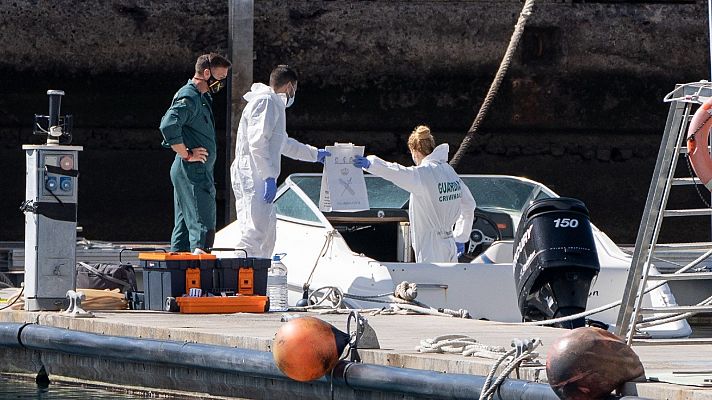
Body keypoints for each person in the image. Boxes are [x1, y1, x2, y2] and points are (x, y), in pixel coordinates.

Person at [230, 65, 330, 259]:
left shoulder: (272, 104)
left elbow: (282, 143)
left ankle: (261, 278)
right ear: (290, 86)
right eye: (295, 89)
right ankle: (242, 280)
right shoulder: (266, 102)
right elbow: (257, 143)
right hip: (255, 175)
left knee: (266, 235)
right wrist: (268, 176)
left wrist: (314, 154)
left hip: (258, 174)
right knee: (254, 233)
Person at [353, 125, 475, 263]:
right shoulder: (449, 172)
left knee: (431, 283)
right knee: (451, 283)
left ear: (414, 151)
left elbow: (396, 172)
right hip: (450, 242)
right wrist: (461, 237)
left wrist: (371, 164)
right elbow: (469, 204)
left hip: (430, 247)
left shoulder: (422, 174)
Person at [159, 53, 232, 252]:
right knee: (203, 225)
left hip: (191, 171)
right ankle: (199, 272)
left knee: (183, 226)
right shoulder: (189, 96)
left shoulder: (201, 96)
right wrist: (187, 154)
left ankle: (178, 271)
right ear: (206, 73)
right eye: (220, 77)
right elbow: (168, 125)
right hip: (193, 171)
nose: (221, 83)